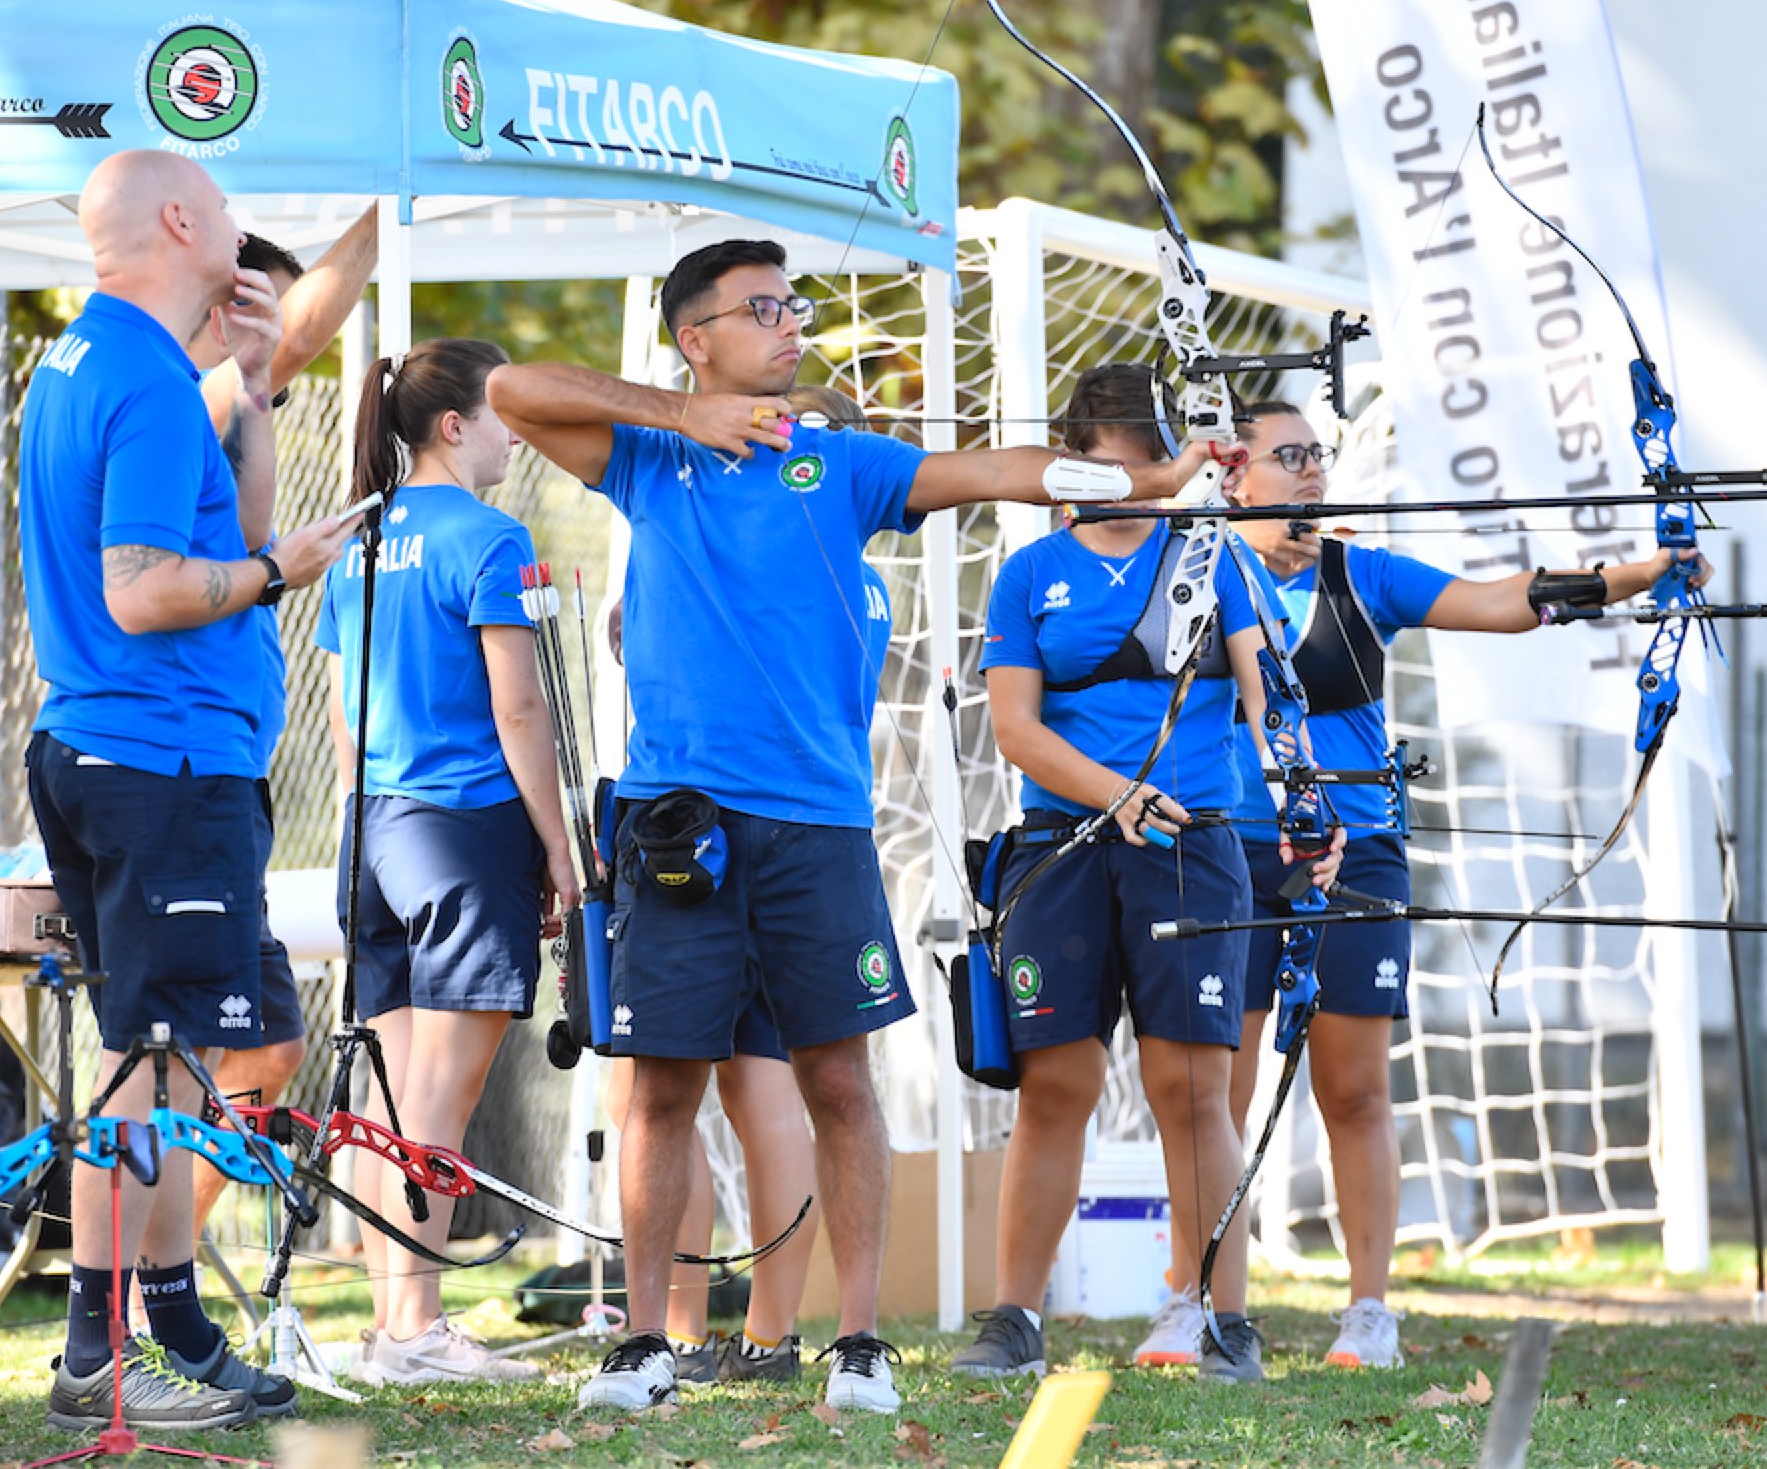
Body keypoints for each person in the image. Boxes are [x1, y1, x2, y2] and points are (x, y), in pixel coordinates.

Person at [487, 239, 1221, 1415]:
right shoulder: (650, 457)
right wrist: (688, 411)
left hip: (818, 828)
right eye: (761, 310)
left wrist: (1152, 481)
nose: (790, 326)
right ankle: (639, 1345)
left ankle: (861, 1344)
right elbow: (512, 390)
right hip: (682, 822)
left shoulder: (843, 465)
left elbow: (1007, 473)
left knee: (840, 1079)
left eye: (793, 306)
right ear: (697, 336)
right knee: (664, 1088)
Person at [1129, 397, 1714, 1373]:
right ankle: (1194, 1301)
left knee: (1352, 1089)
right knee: (1210, 1094)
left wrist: (1642, 574)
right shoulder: (1196, 574)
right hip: (1228, 851)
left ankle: (1368, 1310)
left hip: (1354, 850)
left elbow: (1499, 602)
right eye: (1290, 457)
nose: (1312, 471)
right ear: (1236, 476)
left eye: (1319, 455)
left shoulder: (1362, 573)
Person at [19, 148, 354, 1432]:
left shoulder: (104, 364)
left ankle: (169, 1323)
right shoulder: (147, 387)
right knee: (146, 1063)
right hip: (157, 759)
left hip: (140, 755)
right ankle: (98, 1356)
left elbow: (209, 540)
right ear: (177, 219)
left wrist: (259, 392)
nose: (238, 225)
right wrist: (281, 572)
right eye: (219, 206)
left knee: (171, 1053)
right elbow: (147, 587)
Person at [948, 363, 1338, 1387]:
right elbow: (1015, 729)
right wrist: (1116, 795)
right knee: (1056, 1083)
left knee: (1192, 1085)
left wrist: (1306, 801)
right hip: (1063, 848)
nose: (1125, 484)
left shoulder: (1215, 562)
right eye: (1105, 460)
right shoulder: (1032, 572)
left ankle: (1225, 1318)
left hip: (1191, 848)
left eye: (1141, 460)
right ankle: (1016, 1319)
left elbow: (1272, 700)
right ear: (1072, 463)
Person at [596, 381, 876, 1389]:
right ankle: (722, 1331)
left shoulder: (833, 559)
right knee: (676, 1088)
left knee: (776, 1093)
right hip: (710, 834)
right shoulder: (773, 536)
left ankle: (754, 1330)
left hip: (785, 832)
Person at [315, 338, 580, 1384]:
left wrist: (362, 810)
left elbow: (342, 716)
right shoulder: (491, 536)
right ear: (455, 424)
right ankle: (415, 1329)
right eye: (504, 408)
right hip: (464, 830)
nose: (518, 429)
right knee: (434, 1100)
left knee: (389, 1101)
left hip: (374, 829)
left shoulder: (359, 538)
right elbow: (520, 710)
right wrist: (563, 848)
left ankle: (397, 1324)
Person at [180, 209, 380, 1247]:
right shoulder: (180, 400)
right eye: (259, 307)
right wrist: (389, 207)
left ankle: (139, 1275)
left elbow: (289, 349)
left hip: (219, 780)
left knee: (259, 1050)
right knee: (206, 1051)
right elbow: (297, 334)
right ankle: (124, 1288)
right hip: (177, 776)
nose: (287, 363)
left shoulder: (227, 406)